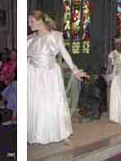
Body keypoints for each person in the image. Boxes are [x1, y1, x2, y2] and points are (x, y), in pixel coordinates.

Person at [27, 10, 88, 145]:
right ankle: (36, 133)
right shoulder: (30, 39)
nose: (29, 24)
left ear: (40, 21)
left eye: (31, 21)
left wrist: (75, 70)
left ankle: (62, 133)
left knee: (53, 102)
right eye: (28, 22)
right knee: (36, 103)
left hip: (49, 74)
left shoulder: (55, 36)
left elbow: (65, 54)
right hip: (34, 75)